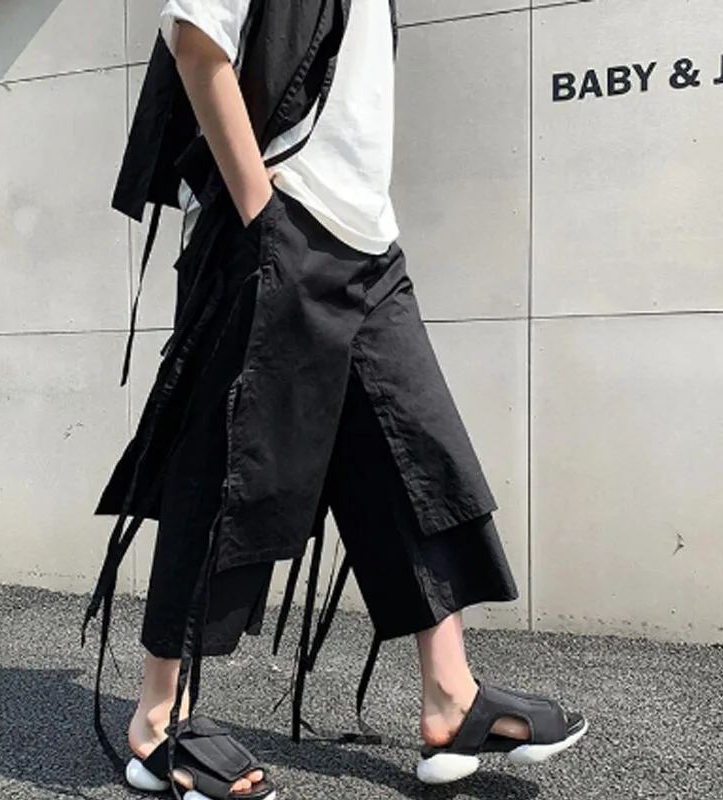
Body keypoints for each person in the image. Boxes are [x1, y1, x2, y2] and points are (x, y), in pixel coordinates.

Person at [82, 1, 588, 798]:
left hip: (368, 244)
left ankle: (451, 698)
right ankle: (157, 717)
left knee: (416, 451)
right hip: (273, 228)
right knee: (229, 465)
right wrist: (258, 213)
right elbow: (197, 39)